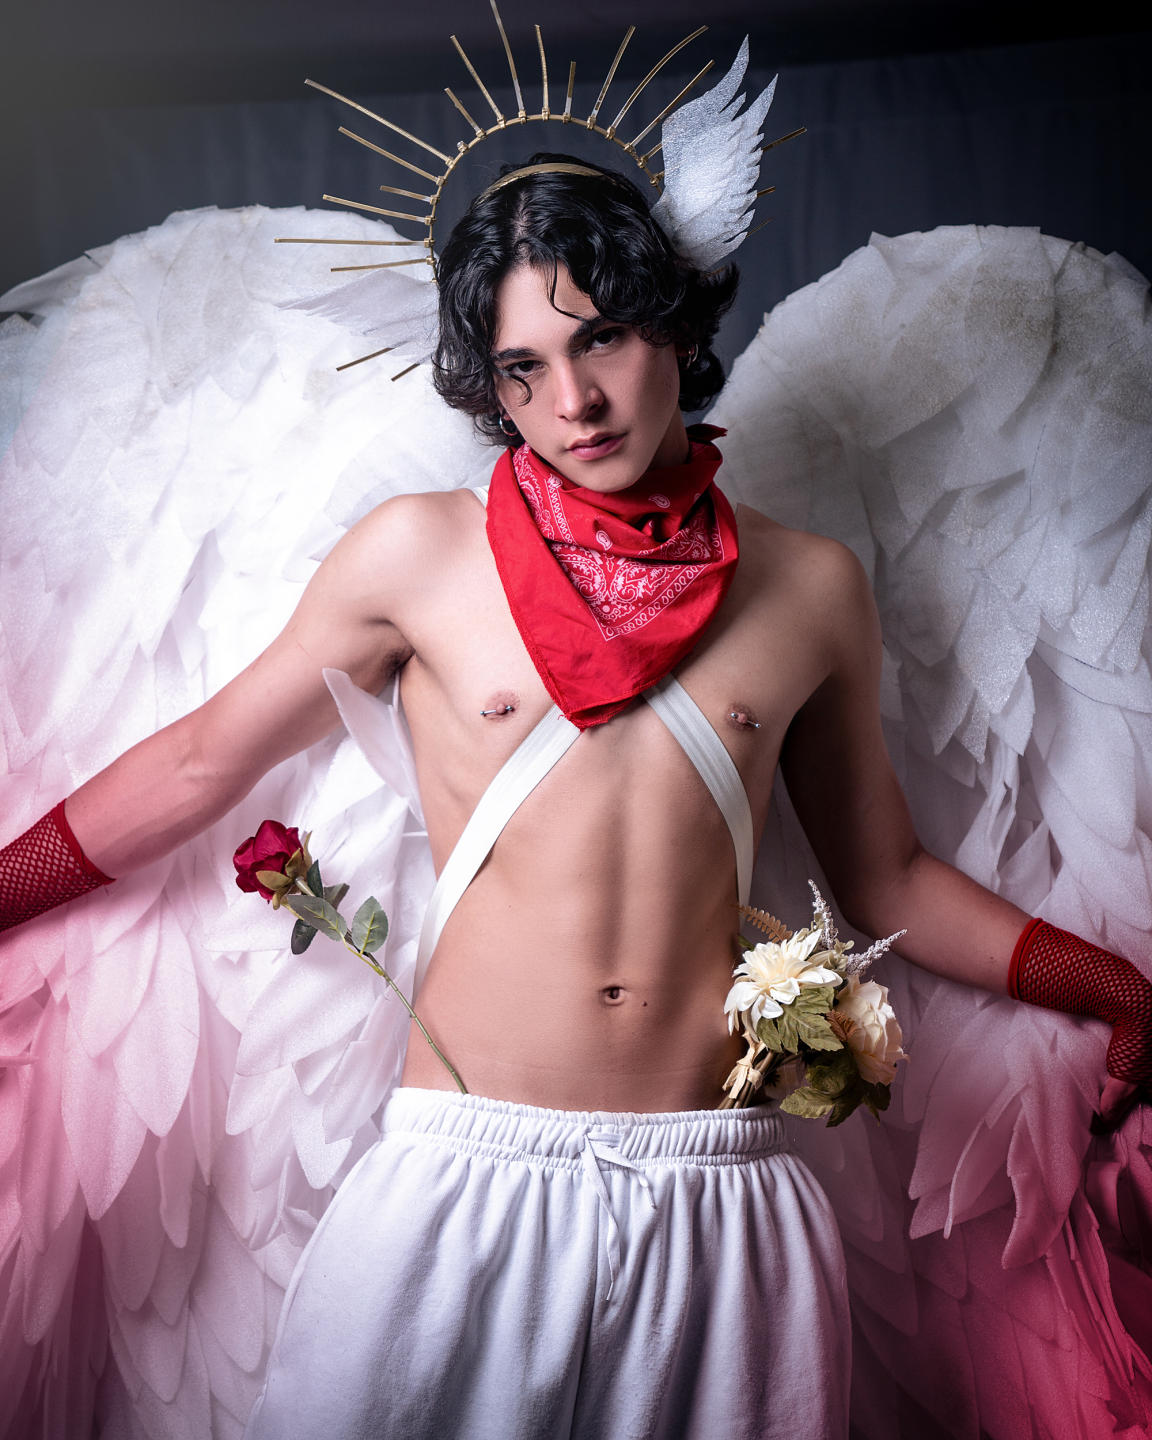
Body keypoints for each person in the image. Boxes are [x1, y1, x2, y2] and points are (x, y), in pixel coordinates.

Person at [1, 156, 1149, 1438]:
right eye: (523, 368)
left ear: (675, 323)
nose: (574, 402)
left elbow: (886, 881)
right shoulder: (416, 556)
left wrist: (1109, 985)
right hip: (465, 1178)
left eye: (601, 337)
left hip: (719, 1192)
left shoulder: (811, 587)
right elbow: (200, 763)